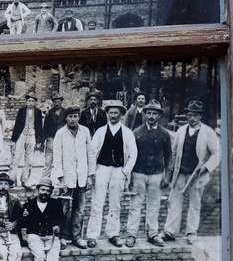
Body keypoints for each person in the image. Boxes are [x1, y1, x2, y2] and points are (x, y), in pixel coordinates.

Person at [164, 100, 221, 243]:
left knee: (194, 204)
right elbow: (174, 150)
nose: (192, 118)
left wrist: (206, 167)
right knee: (175, 202)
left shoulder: (208, 132)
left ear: (200, 116)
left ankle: (191, 232)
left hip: (197, 174)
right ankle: (170, 231)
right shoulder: (181, 131)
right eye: (190, 115)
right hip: (180, 173)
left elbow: (216, 154)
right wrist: (171, 172)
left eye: (195, 115)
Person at [86, 103, 137, 246]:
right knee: (97, 203)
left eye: (116, 113)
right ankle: (92, 235)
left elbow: (133, 154)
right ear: (107, 114)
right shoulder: (100, 131)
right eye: (111, 113)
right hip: (102, 169)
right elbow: (92, 153)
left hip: (118, 170)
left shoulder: (127, 133)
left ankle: (113, 234)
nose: (113, 116)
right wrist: (92, 172)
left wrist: (125, 171)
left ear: (121, 115)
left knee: (115, 204)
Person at [129, 104, 173, 246]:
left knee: (154, 204)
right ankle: (131, 234)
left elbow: (169, 156)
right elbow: (130, 155)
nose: (151, 117)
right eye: (149, 113)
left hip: (157, 174)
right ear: (145, 115)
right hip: (138, 173)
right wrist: (129, 176)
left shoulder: (164, 134)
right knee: (136, 204)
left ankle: (153, 234)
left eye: (155, 114)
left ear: (159, 116)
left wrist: (167, 176)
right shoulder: (136, 133)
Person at [20, 181, 70, 261]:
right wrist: (24, 231)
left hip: (50, 236)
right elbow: (22, 221)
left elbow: (61, 220)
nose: (45, 193)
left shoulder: (56, 204)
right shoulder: (29, 203)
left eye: (48, 191)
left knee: (53, 256)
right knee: (39, 256)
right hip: (34, 236)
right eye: (43, 190)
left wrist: (58, 227)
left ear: (51, 192)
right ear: (38, 190)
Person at [51, 109, 92, 246]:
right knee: (64, 209)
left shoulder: (85, 131)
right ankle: (62, 236)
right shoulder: (60, 133)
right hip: (67, 178)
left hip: (81, 176)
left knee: (79, 209)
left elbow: (90, 154)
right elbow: (56, 157)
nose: (73, 119)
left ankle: (76, 237)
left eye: (75, 116)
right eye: (70, 117)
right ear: (66, 118)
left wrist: (90, 176)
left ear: (79, 117)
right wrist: (61, 178)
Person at [11, 92, 45, 185]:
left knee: (29, 159)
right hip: (22, 135)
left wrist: (39, 140)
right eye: (29, 101)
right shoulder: (21, 111)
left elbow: (39, 126)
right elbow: (17, 125)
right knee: (16, 158)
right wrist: (13, 140)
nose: (31, 103)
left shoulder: (38, 112)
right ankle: (12, 180)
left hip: (32, 135)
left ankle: (24, 179)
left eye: (33, 101)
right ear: (26, 102)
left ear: (35, 102)